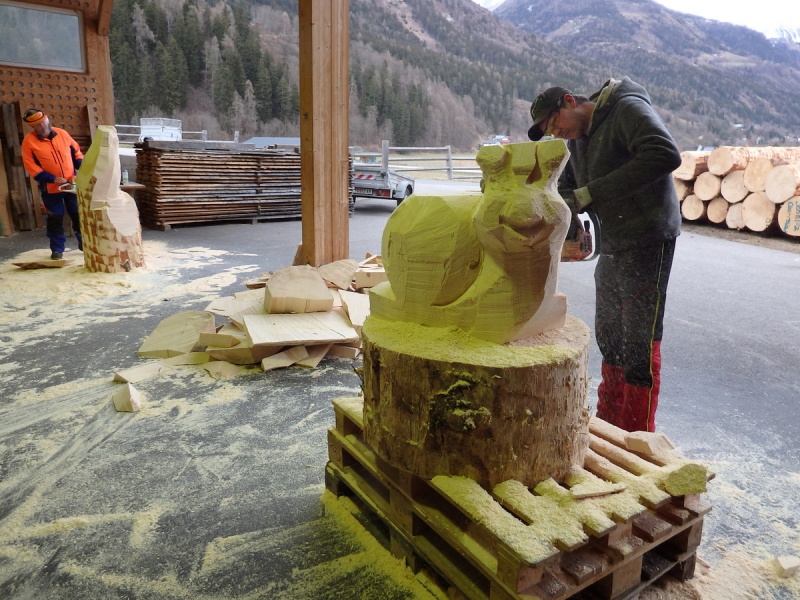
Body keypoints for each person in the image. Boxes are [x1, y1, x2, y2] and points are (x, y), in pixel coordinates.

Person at [527, 78, 682, 432]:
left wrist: (590, 193)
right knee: (610, 334)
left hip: (648, 234)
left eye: (555, 123)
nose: (557, 133)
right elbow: (568, 188)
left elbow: (665, 153)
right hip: (613, 238)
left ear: (570, 101)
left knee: (638, 340)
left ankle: (635, 433)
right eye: (550, 132)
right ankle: (609, 425)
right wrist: (557, 207)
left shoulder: (626, 108)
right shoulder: (577, 139)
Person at [21, 108, 84, 259]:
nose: (42, 125)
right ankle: (57, 249)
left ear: (47, 119)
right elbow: (31, 166)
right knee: (55, 218)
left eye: (43, 121)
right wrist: (51, 178)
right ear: (32, 127)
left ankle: (85, 243)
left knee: (78, 215)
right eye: (38, 124)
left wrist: (82, 166)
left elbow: (76, 152)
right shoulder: (29, 142)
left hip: (71, 185)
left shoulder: (62, 134)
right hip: (50, 188)